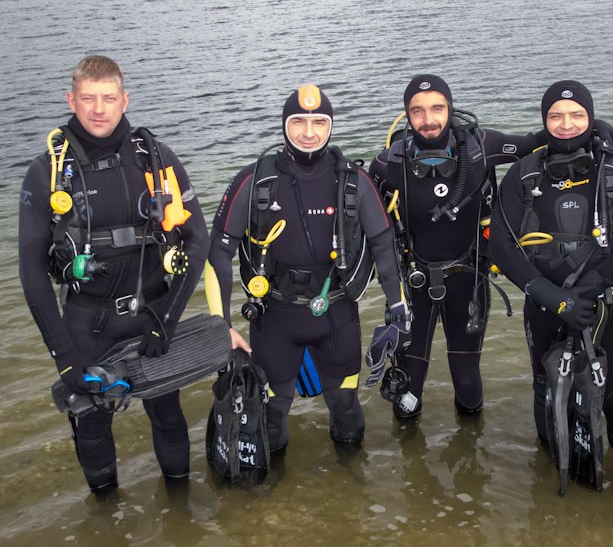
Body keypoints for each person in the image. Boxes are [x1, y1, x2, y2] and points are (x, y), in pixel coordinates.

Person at [19, 55, 209, 494]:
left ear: (126, 100)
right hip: (88, 324)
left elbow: (197, 239)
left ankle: (180, 509)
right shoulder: (47, 172)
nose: (98, 109)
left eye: (108, 98)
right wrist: (63, 355)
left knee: (168, 415)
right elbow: (31, 273)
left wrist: (169, 320)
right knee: (91, 425)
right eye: (88, 98)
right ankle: (106, 516)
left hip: (153, 317)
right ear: (72, 99)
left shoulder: (155, 158)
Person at [205, 84, 410, 454]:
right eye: (299, 121)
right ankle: (269, 497)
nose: (310, 131)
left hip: (337, 315)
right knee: (270, 413)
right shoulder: (255, 181)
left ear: (331, 125)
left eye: (320, 121)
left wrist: (397, 307)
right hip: (275, 317)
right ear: (285, 125)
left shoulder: (354, 182)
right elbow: (218, 252)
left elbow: (383, 245)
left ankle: (352, 496)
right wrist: (221, 328)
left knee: (346, 409)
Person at [489, 80, 613, 482]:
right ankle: (553, 473)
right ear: (544, 121)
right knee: (548, 393)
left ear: (591, 117)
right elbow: (501, 242)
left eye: (577, 115)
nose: (566, 124)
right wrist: (546, 292)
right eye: (556, 116)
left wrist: (599, 280)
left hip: (607, 306)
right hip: (545, 307)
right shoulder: (524, 174)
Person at [369, 74, 537, 420]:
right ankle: (410, 450)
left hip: (468, 280)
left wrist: (595, 126)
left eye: (437, 108)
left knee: (466, 379)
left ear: (450, 108)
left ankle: (471, 457)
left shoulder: (480, 146)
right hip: (413, 283)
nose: (428, 119)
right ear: (406, 115)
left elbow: (537, 143)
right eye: (417, 111)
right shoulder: (388, 164)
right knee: (408, 388)